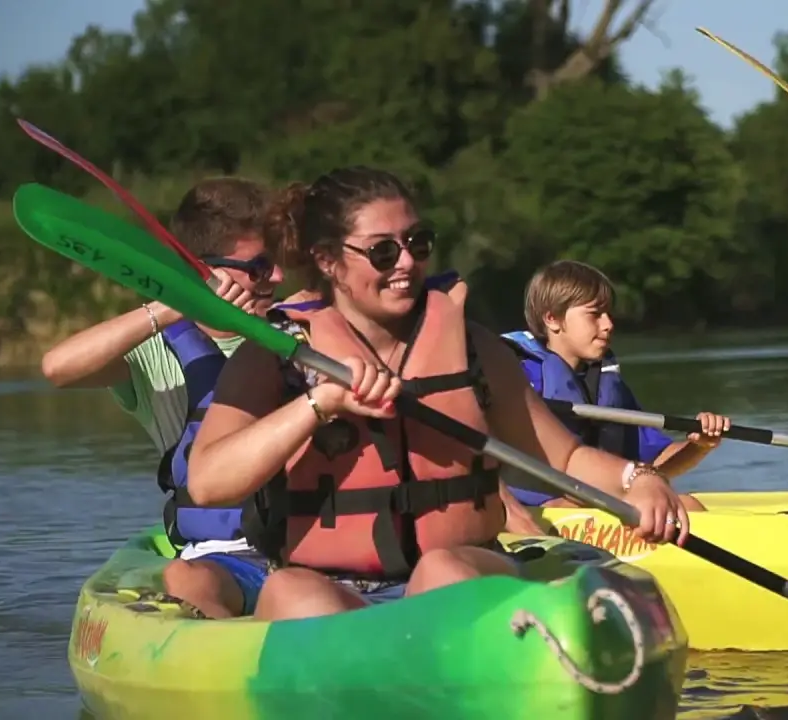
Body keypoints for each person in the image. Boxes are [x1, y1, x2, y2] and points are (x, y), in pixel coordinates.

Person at [186, 166, 695, 620]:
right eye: (383, 251)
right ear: (326, 260)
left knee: (442, 571)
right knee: (292, 592)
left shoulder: (473, 348)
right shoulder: (279, 354)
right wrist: (320, 403)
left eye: (418, 243)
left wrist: (641, 479)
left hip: (464, 569)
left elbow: (565, 456)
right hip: (335, 590)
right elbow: (208, 482)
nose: (406, 262)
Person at [39, 177, 284, 617]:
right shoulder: (157, 352)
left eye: (279, 262)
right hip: (222, 560)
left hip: (309, 546)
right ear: (206, 272)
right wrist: (175, 302)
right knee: (185, 579)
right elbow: (58, 367)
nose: (278, 277)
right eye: (260, 267)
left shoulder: (303, 328)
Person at [500, 261, 729, 511]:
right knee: (685, 507)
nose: (608, 324)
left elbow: (653, 468)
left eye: (608, 313)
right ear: (552, 319)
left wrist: (699, 445)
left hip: (592, 507)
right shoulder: (515, 376)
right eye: (594, 314)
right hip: (536, 514)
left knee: (687, 505)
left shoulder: (606, 385)